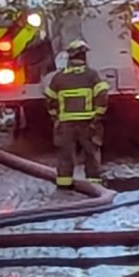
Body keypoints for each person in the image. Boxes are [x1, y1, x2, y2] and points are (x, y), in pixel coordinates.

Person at [43, 39, 109, 188]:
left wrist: (55, 116)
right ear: (84, 57)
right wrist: (98, 115)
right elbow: (103, 94)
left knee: (65, 154)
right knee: (91, 152)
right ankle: (95, 185)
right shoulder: (92, 75)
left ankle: (64, 183)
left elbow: (49, 99)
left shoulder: (59, 77)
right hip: (88, 123)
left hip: (65, 123)